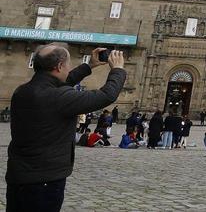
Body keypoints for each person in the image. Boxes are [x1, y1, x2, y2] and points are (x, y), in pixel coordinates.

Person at [6, 44, 126, 212]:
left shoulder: (23, 91)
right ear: (59, 66)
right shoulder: (58, 97)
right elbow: (106, 95)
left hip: (19, 174)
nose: (69, 68)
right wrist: (118, 70)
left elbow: (58, 83)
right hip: (44, 180)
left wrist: (88, 66)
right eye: (68, 64)